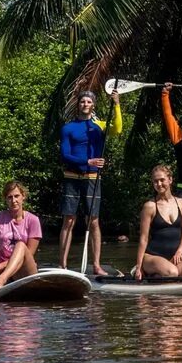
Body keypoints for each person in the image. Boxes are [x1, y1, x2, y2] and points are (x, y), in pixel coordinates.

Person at [59, 88, 123, 275]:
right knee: (69, 220)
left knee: (93, 221)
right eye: (82, 102)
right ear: (78, 105)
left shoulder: (99, 126)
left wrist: (117, 104)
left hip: (92, 178)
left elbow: (117, 129)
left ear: (93, 105)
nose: (85, 104)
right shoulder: (68, 128)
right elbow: (65, 155)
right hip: (72, 176)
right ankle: (62, 264)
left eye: (88, 102)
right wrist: (87, 161)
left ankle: (96, 264)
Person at [132, 165, 182, 279]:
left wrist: (179, 252)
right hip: (152, 256)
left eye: (162, 180)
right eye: (156, 181)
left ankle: (159, 274)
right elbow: (143, 238)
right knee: (172, 273)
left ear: (170, 180)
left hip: (175, 255)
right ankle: (151, 271)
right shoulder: (150, 206)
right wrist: (139, 266)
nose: (159, 184)